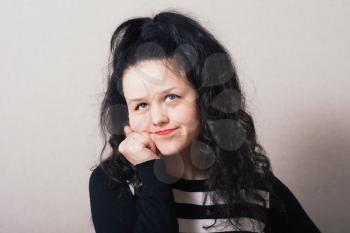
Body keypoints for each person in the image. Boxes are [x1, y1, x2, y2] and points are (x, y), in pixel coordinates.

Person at [88, 10, 321, 233]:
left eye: (171, 97)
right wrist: (151, 172)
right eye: (141, 105)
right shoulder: (113, 184)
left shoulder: (254, 184)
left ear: (205, 98)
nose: (158, 118)